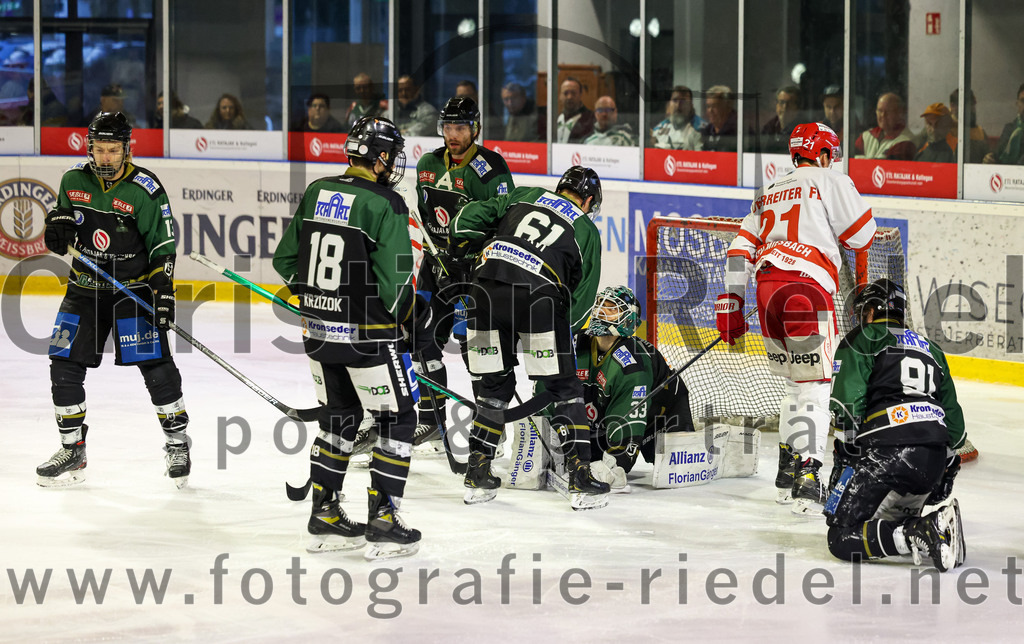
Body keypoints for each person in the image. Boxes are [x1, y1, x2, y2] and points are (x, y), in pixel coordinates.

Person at [272, 116, 428, 559]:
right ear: (379, 157)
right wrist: (410, 319)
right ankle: (383, 518)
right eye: (392, 155)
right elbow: (396, 283)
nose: (394, 163)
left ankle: (325, 512)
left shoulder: (319, 190)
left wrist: (318, 297)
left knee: (339, 417)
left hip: (319, 332)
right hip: (370, 336)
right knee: (397, 418)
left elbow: (286, 260)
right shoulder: (387, 203)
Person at [716, 122, 876, 515]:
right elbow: (863, 235)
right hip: (807, 290)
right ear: (822, 153)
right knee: (816, 389)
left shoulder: (769, 190)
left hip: (767, 290)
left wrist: (731, 303)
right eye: (831, 154)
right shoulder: (829, 179)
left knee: (793, 386)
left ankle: (786, 472)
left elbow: (740, 251)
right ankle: (809, 475)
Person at [36, 112, 191, 489]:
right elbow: (64, 223)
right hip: (83, 288)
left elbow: (162, 247)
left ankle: (177, 443)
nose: (105, 157)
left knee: (157, 369)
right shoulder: (73, 179)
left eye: (113, 150)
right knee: (63, 364)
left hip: (132, 290)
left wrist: (163, 290)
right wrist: (56, 230)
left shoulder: (146, 188)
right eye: (99, 149)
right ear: (89, 147)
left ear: (127, 149)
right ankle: (73, 448)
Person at [450, 166, 609, 510]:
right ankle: (580, 476)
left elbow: (461, 222)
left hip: (483, 291)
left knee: (493, 386)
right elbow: (580, 307)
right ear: (590, 200)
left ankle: (477, 470)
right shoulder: (586, 229)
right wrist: (562, 352)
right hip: (538, 300)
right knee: (566, 390)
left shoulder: (524, 195)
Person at [825, 279, 966, 572]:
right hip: (934, 458)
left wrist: (847, 459)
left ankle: (915, 533)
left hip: (890, 452)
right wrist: (942, 470)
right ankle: (931, 527)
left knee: (841, 536)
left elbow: (845, 406)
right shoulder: (932, 349)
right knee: (883, 523)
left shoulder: (862, 339)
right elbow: (957, 429)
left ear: (873, 311)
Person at [405, 96, 514, 453]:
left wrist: (474, 264)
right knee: (422, 341)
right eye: (448, 127)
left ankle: (488, 431)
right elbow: (423, 216)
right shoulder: (428, 163)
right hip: (437, 271)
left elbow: (504, 223)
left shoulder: (492, 168)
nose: (453, 135)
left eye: (461, 127)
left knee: (477, 352)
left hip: (474, 275)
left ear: (475, 129)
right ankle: (431, 420)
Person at [571, 285, 694, 490]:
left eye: (611, 308)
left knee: (679, 470)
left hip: (661, 417)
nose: (600, 310)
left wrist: (616, 464)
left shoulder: (632, 366)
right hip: (604, 415)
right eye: (599, 304)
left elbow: (629, 422)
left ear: (627, 320)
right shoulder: (577, 343)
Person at [854, 92, 917, 160]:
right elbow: (850, 159)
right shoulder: (866, 136)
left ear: (899, 113)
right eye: (880, 110)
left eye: (888, 111)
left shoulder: (906, 141)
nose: (883, 115)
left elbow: (886, 168)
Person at [650, 85, 703, 150]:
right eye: (675, 100)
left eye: (683, 101)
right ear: (669, 104)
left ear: (691, 105)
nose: (678, 105)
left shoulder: (699, 129)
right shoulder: (660, 128)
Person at [983, 83, 1024, 165]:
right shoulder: (1010, 129)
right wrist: (989, 159)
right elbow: (997, 154)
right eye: (1023, 101)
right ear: (1017, 103)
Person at [758, 86, 802, 154]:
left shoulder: (804, 130)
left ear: (798, 107)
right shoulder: (769, 127)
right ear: (776, 105)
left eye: (790, 103)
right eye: (781, 102)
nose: (785, 107)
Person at [949, 88, 988, 164]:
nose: (972, 109)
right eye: (967, 105)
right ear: (953, 106)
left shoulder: (980, 132)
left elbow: (987, 161)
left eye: (973, 104)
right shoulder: (942, 130)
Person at [555, 77, 595, 143]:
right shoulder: (555, 119)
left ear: (580, 95)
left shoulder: (590, 120)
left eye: (573, 93)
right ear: (560, 96)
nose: (569, 97)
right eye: (565, 93)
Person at [700, 85, 738, 152]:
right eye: (708, 106)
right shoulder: (706, 132)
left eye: (714, 106)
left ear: (728, 107)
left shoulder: (739, 131)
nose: (710, 111)